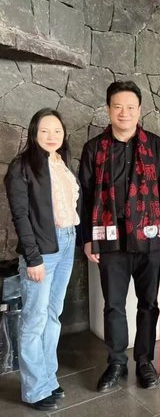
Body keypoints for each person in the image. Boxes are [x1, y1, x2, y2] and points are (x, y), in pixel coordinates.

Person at [79, 81, 160, 391]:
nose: (124, 113)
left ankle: (144, 360)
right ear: (108, 110)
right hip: (110, 238)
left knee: (148, 303)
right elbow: (84, 195)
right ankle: (116, 362)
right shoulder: (94, 148)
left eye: (130, 107)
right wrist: (87, 238)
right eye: (118, 107)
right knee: (113, 304)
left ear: (139, 110)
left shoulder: (156, 146)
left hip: (149, 238)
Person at [4, 109, 79, 411]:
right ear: (34, 132)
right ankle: (35, 390)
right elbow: (21, 216)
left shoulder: (61, 162)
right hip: (42, 251)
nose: (52, 136)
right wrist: (33, 258)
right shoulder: (22, 166)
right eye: (45, 130)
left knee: (52, 314)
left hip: (67, 242)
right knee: (34, 319)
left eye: (57, 130)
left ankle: (48, 378)